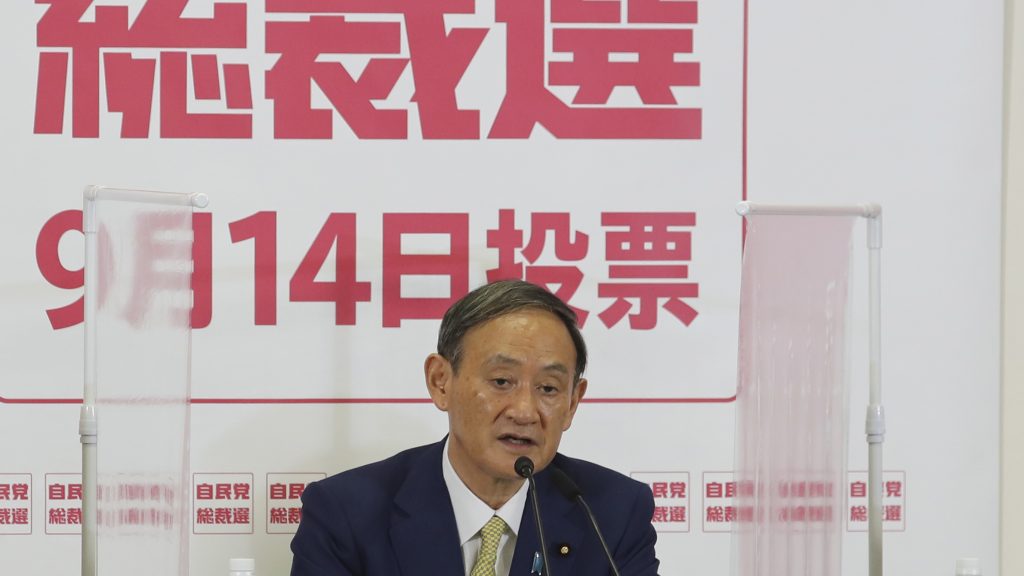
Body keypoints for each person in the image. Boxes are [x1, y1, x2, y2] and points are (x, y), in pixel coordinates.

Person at [290, 280, 660, 576]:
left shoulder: (611, 513)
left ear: (572, 403)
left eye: (548, 388)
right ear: (440, 382)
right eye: (501, 381)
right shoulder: (347, 513)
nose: (524, 411)